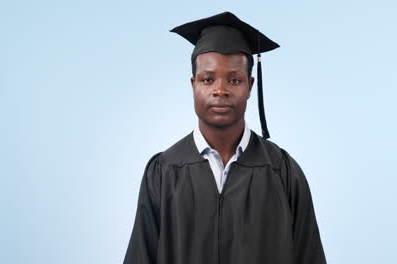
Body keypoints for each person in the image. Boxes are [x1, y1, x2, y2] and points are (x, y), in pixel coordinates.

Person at [124, 11, 326, 264]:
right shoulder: (163, 172)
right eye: (207, 79)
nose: (220, 90)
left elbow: (309, 256)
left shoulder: (282, 172)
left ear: (250, 86)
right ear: (193, 85)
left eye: (234, 79)